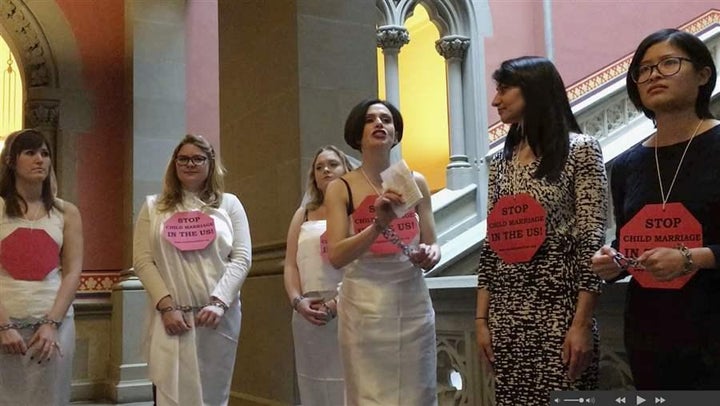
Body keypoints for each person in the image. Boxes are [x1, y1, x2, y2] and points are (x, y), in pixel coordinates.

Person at [591, 29, 720, 389]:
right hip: (652, 333)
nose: (653, 76)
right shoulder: (627, 164)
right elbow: (629, 242)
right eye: (643, 70)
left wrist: (693, 258)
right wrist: (614, 262)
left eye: (668, 63)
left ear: (703, 75)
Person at [475, 56, 608, 405]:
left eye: (504, 89)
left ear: (533, 89)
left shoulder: (580, 150)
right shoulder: (501, 162)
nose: (495, 100)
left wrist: (581, 324)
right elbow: (493, 246)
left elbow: (591, 239)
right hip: (507, 317)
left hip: (560, 314)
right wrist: (481, 319)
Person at [324, 98, 441, 405]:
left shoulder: (414, 181)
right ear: (356, 133)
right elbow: (336, 255)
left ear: (395, 132)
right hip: (364, 305)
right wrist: (378, 225)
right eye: (370, 119)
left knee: (418, 391)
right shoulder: (341, 188)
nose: (379, 124)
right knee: (370, 393)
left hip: (412, 301)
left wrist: (429, 253)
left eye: (387, 120)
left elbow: (432, 242)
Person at [133, 134, 252, 405]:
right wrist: (166, 307)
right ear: (174, 164)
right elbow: (142, 260)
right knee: (169, 394)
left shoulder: (229, 204)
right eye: (183, 158)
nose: (190, 164)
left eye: (198, 158)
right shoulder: (154, 207)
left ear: (211, 164)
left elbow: (242, 257)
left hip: (216, 318)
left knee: (211, 395)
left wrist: (220, 302)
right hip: (171, 318)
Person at [0, 129, 84, 405]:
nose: (40, 160)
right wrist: (4, 326)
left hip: (52, 325)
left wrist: (51, 324)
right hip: (5, 323)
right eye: (30, 153)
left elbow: (72, 271)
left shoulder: (66, 212)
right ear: (11, 161)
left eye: (45, 154)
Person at [283, 145, 353, 405]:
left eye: (333, 164)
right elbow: (290, 265)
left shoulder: (355, 211)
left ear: (346, 168)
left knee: (350, 382)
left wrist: (336, 304)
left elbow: (363, 263)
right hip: (308, 312)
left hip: (349, 306)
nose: (326, 170)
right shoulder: (303, 214)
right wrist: (297, 301)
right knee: (313, 382)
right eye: (319, 166)